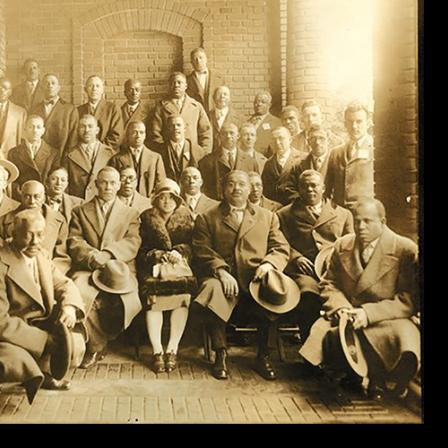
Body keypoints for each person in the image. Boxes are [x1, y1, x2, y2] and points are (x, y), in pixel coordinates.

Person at [299, 198, 420, 401]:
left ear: (383, 221)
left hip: (387, 316)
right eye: (357, 221)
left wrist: (368, 313)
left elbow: (408, 298)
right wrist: (340, 307)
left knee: (397, 336)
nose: (360, 227)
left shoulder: (404, 249)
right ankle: (352, 376)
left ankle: (377, 378)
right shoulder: (343, 244)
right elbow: (329, 283)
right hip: (347, 313)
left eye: (367, 221)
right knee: (332, 333)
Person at [193, 170, 294, 381]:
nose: (236, 188)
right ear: (223, 188)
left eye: (241, 184)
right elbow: (202, 250)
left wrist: (268, 264)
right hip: (224, 278)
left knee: (273, 288)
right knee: (211, 288)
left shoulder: (268, 217)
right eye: (231, 184)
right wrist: (220, 270)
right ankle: (220, 353)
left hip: (255, 277)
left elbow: (281, 248)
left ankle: (263, 355)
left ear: (250, 189)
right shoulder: (207, 217)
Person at [0, 209, 85, 403]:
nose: (35, 242)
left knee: (75, 342)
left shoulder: (41, 256)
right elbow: (1, 322)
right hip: (10, 334)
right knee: (15, 361)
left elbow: (64, 284)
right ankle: (33, 370)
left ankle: (42, 369)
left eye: (40, 235)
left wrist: (69, 307)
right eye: (28, 235)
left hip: (35, 327)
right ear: (13, 234)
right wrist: (43, 340)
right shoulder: (2, 262)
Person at [68, 166, 142, 367]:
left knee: (124, 300)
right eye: (103, 182)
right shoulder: (80, 211)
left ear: (119, 185)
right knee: (78, 292)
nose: (108, 187)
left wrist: (109, 255)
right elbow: (74, 240)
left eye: (112, 183)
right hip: (89, 267)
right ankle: (95, 345)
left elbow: (133, 241)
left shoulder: (130, 213)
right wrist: (92, 256)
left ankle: (103, 339)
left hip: (119, 268)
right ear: (95, 185)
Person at [277, 170, 353, 341]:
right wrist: (296, 257)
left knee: (349, 295)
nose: (310, 190)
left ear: (323, 188)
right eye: (305, 186)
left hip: (336, 271)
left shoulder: (343, 214)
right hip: (304, 272)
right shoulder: (284, 214)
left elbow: (352, 244)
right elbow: (279, 243)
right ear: (299, 189)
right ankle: (311, 356)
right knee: (308, 296)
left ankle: (341, 349)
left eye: (314, 186)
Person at [138, 179, 195, 373]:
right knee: (153, 299)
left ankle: (172, 349)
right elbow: (140, 248)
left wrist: (180, 252)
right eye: (163, 197)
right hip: (154, 269)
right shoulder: (146, 218)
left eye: (172, 198)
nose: (167, 202)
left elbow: (193, 244)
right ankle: (157, 351)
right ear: (156, 199)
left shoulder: (185, 216)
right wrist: (158, 255)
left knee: (182, 299)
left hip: (179, 269)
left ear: (178, 201)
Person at [0, 180, 71, 274]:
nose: (32, 201)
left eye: (37, 197)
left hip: (49, 273)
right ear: (21, 196)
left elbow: (62, 257)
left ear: (44, 197)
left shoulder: (59, 221)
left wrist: (49, 274)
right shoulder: (4, 221)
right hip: (15, 274)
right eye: (27, 196)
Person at [325, 101, 375, 208]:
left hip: (366, 213)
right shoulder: (336, 153)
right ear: (345, 124)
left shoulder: (375, 150)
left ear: (368, 123)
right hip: (340, 213)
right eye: (350, 122)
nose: (354, 126)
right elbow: (327, 188)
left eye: (359, 121)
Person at [150, 72, 212, 155]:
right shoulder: (161, 107)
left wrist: (203, 153)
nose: (176, 85)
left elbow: (205, 132)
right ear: (169, 86)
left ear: (186, 86)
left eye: (179, 82)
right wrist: (164, 152)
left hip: (192, 154)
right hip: (170, 155)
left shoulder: (196, 106)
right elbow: (155, 133)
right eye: (173, 83)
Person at [199, 123, 258, 200]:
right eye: (224, 133)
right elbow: (203, 190)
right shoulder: (207, 162)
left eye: (231, 133)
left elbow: (255, 187)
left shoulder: (250, 162)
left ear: (238, 136)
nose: (228, 136)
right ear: (219, 137)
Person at [63, 114, 115, 200]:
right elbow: (65, 185)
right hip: (78, 202)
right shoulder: (69, 154)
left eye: (90, 126)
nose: (86, 130)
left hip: (102, 201)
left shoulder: (109, 153)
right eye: (82, 127)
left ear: (97, 130)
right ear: (78, 130)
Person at [8, 115, 59, 200]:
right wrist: (20, 192)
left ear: (43, 131)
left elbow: (54, 179)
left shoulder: (53, 153)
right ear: (24, 130)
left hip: (44, 198)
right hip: (22, 197)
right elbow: (11, 180)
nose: (35, 131)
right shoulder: (14, 153)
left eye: (38, 127)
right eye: (31, 127)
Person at [108, 121, 166, 198]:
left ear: (145, 135)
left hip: (149, 203)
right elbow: (113, 184)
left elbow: (161, 184)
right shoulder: (116, 159)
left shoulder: (156, 158)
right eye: (134, 132)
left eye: (141, 132)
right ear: (127, 135)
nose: (138, 136)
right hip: (125, 203)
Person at [31, 74, 79, 160]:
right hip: (40, 160)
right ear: (41, 88)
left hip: (61, 158)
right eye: (47, 83)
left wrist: (65, 160)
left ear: (58, 87)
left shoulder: (70, 109)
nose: (50, 86)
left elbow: (73, 140)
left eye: (53, 83)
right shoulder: (35, 109)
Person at [283, 125, 332, 203]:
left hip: (330, 208)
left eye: (321, 138)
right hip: (305, 208)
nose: (317, 142)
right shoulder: (299, 164)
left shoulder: (336, 161)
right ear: (308, 142)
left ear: (328, 140)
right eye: (313, 139)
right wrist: (304, 203)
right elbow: (290, 188)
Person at [261, 126, 306, 205]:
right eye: (274, 140)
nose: (277, 142)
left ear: (290, 140)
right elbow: (265, 191)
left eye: (281, 138)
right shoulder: (268, 163)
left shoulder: (303, 159)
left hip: (296, 207)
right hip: (274, 209)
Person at [78, 75, 123, 151]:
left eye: (97, 86)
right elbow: (75, 135)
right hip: (84, 153)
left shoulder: (113, 109)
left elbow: (116, 137)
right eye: (90, 86)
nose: (94, 89)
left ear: (102, 90)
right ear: (85, 90)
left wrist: (95, 150)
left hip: (106, 154)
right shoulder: (78, 111)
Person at [159, 115, 203, 184]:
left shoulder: (197, 150)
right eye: (172, 126)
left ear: (184, 128)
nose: (175, 128)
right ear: (167, 129)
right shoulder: (159, 151)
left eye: (178, 125)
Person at [186, 47, 225, 115]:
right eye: (195, 59)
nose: (198, 61)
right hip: (196, 115)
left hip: (215, 115)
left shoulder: (218, 78)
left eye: (201, 58)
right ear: (191, 62)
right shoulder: (187, 81)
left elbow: (226, 98)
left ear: (206, 59)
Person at [248, 91, 281, 157]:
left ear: (269, 105)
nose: (259, 104)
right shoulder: (247, 122)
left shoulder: (276, 122)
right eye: (256, 102)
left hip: (265, 159)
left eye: (263, 102)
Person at [209, 86, 242, 152]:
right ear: (214, 97)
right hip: (211, 156)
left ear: (229, 98)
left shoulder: (239, 118)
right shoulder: (206, 116)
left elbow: (240, 140)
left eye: (225, 94)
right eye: (219, 94)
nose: (222, 96)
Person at [0, 77, 27, 158]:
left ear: (10, 92)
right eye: (0, 87)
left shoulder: (20, 113)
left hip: (10, 158)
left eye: (5, 88)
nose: (2, 91)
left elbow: (22, 140)